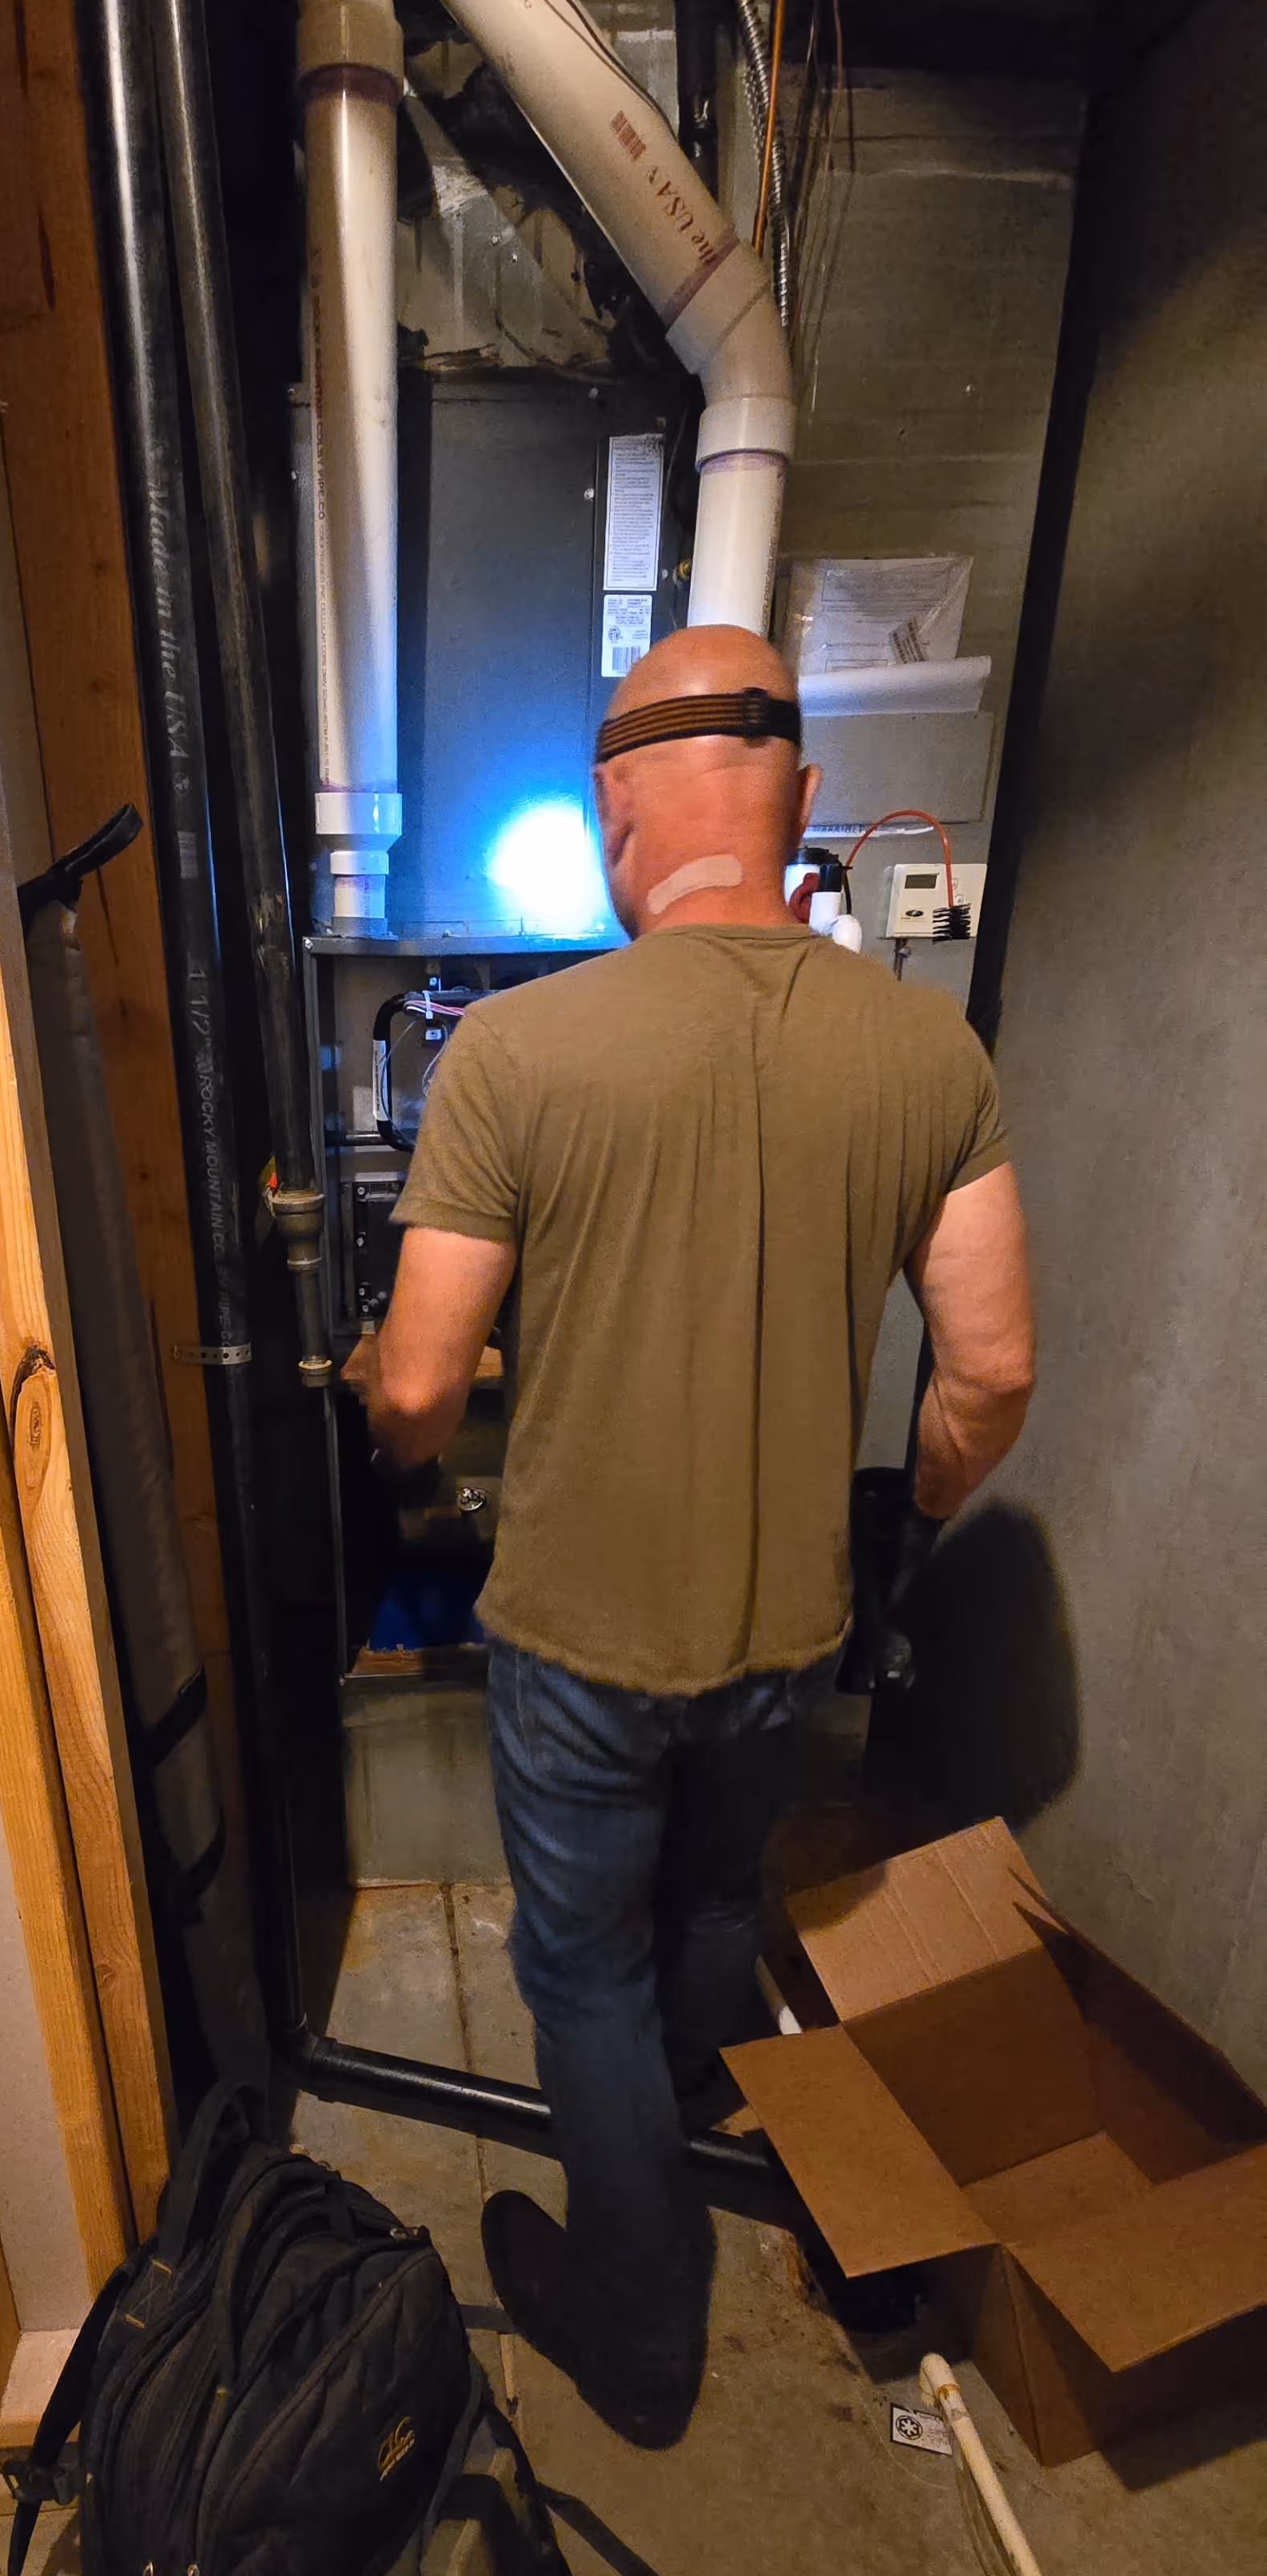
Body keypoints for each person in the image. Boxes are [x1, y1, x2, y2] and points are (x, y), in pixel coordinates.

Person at [340, 624, 1034, 2447]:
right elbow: (992, 1369)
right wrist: (912, 1518)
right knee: (720, 1894)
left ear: (612, 812)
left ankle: (642, 2334)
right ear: (801, 800)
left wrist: (374, 1405)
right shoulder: (929, 1051)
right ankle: (691, 2103)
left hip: (582, 1634)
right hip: (791, 1620)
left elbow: (420, 1385)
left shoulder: (518, 1051)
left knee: (577, 1965)